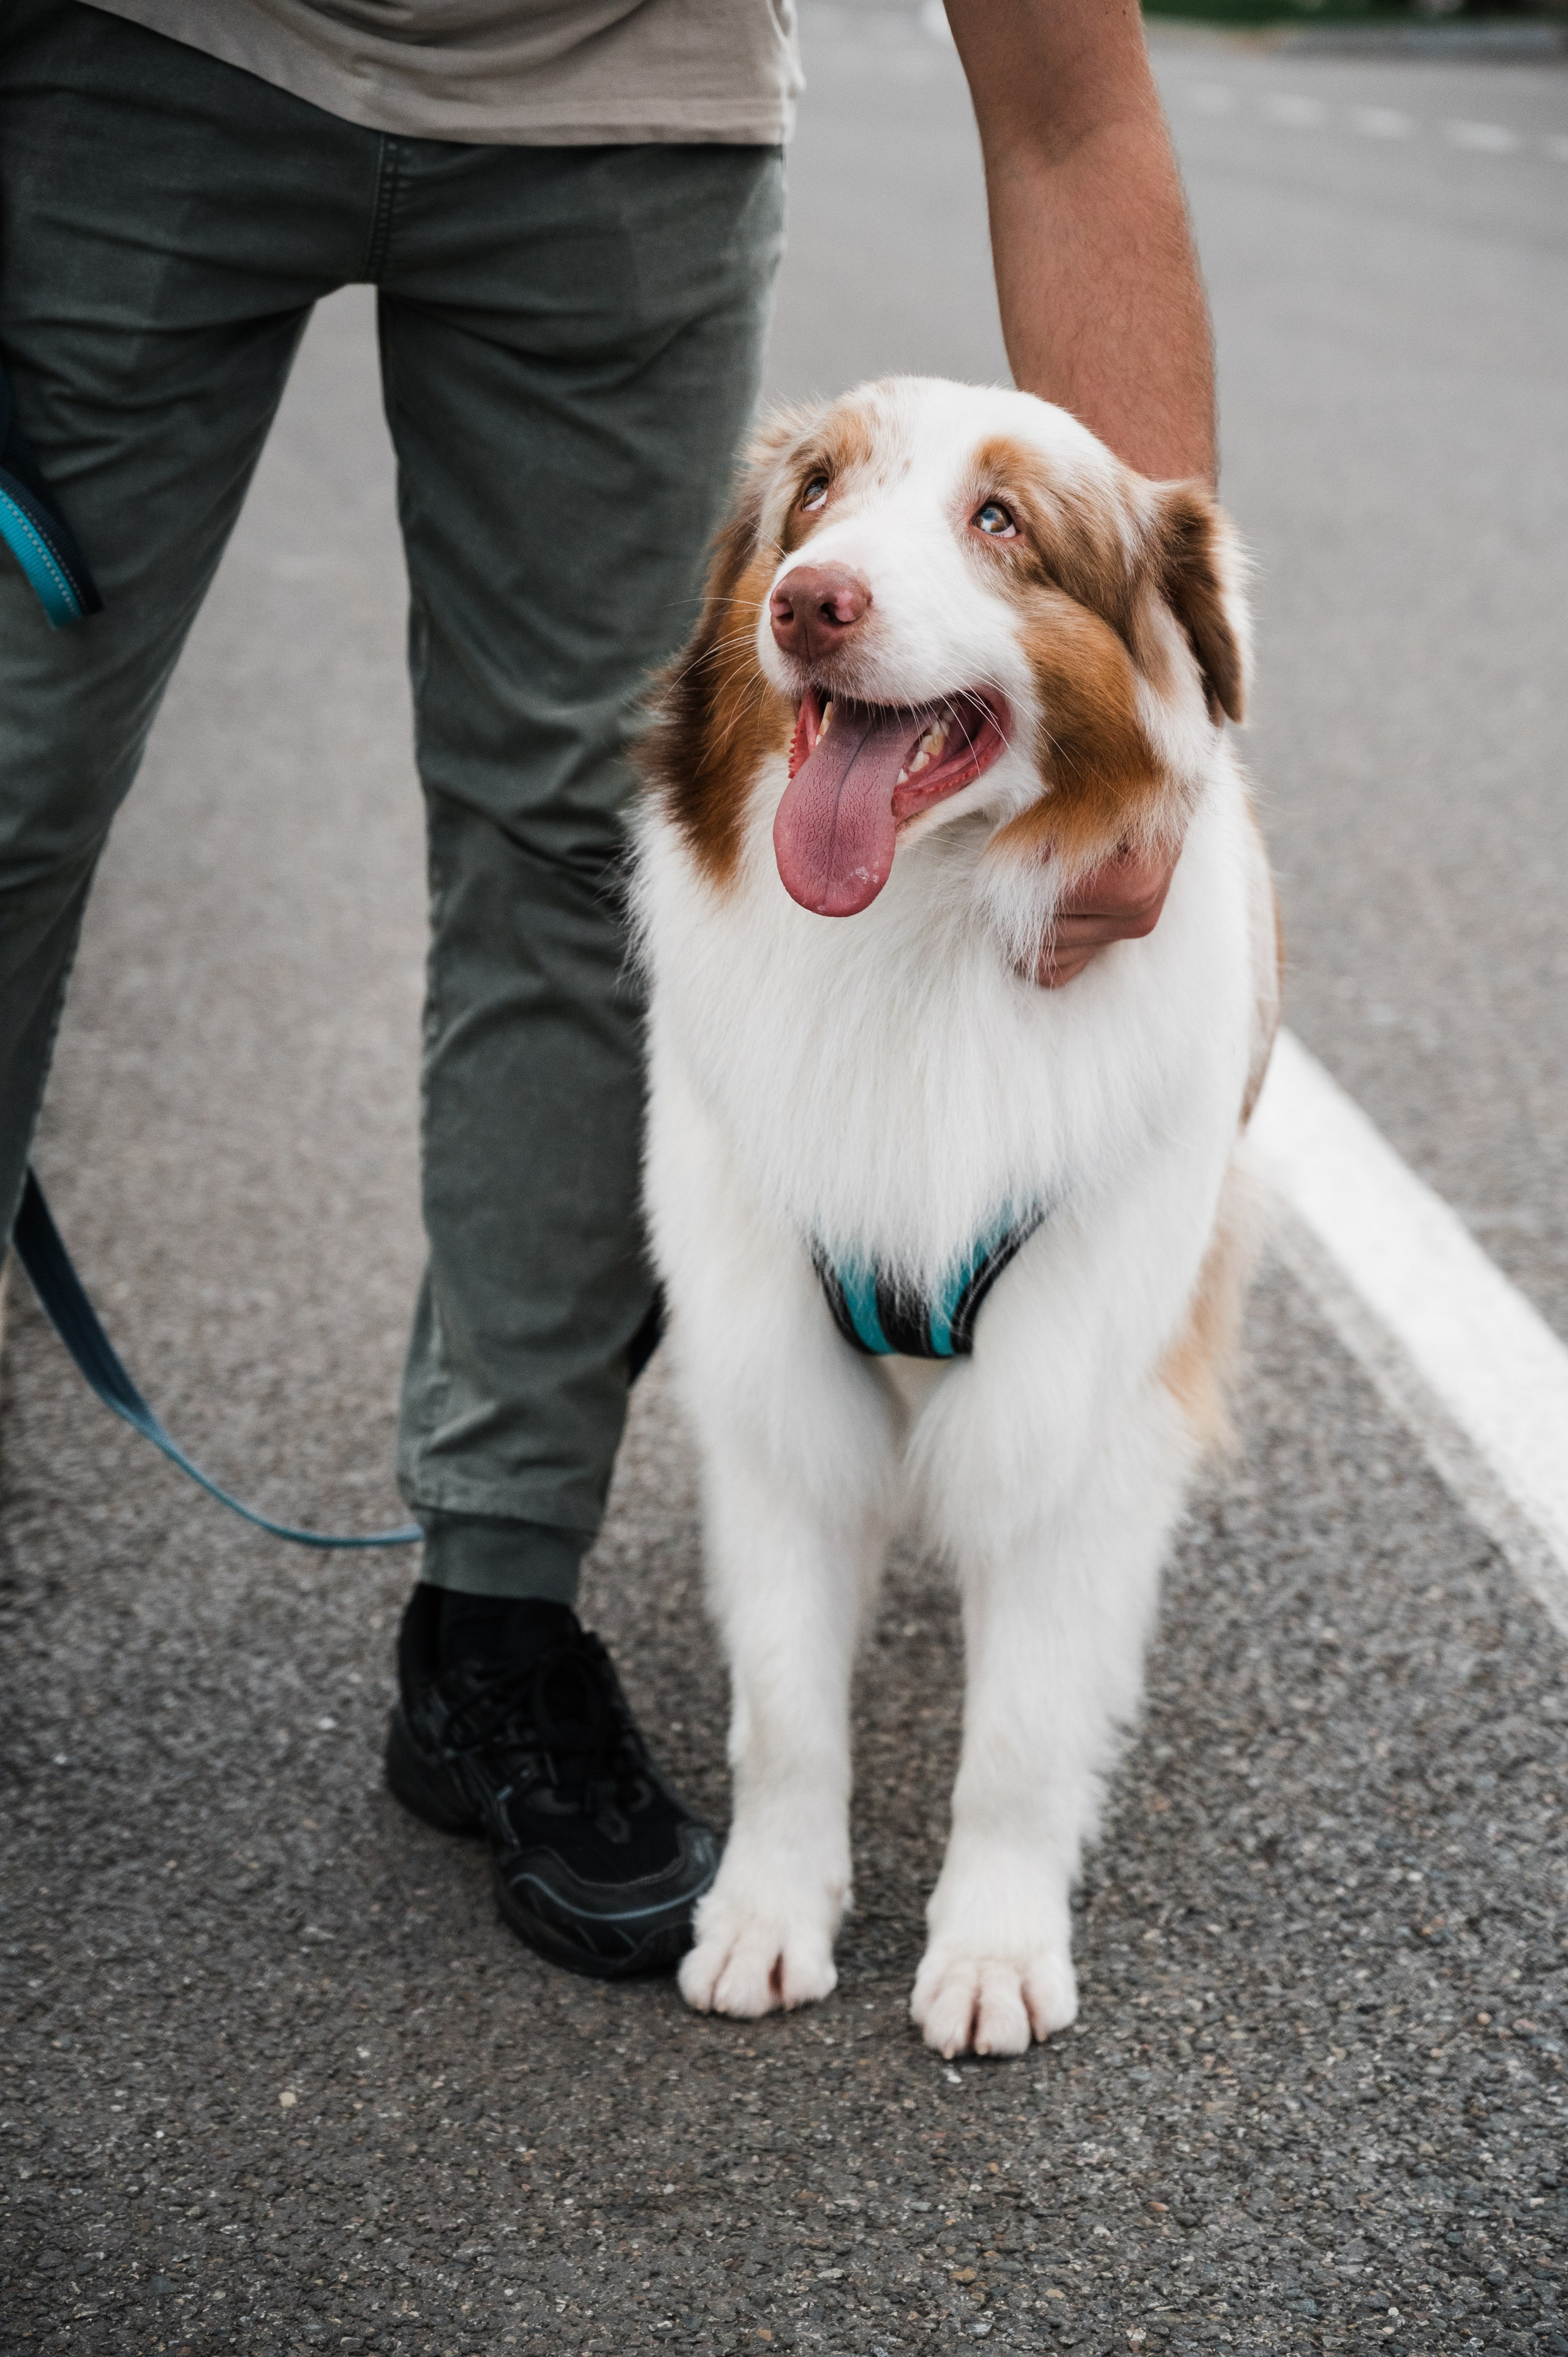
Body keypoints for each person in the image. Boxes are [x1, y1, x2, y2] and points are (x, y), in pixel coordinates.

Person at [0, 0, 1215, 1980]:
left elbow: (1071, 110)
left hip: (618, 108)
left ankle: (494, 1615)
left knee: (582, 847)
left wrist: (1152, 721)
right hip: (140, 53)